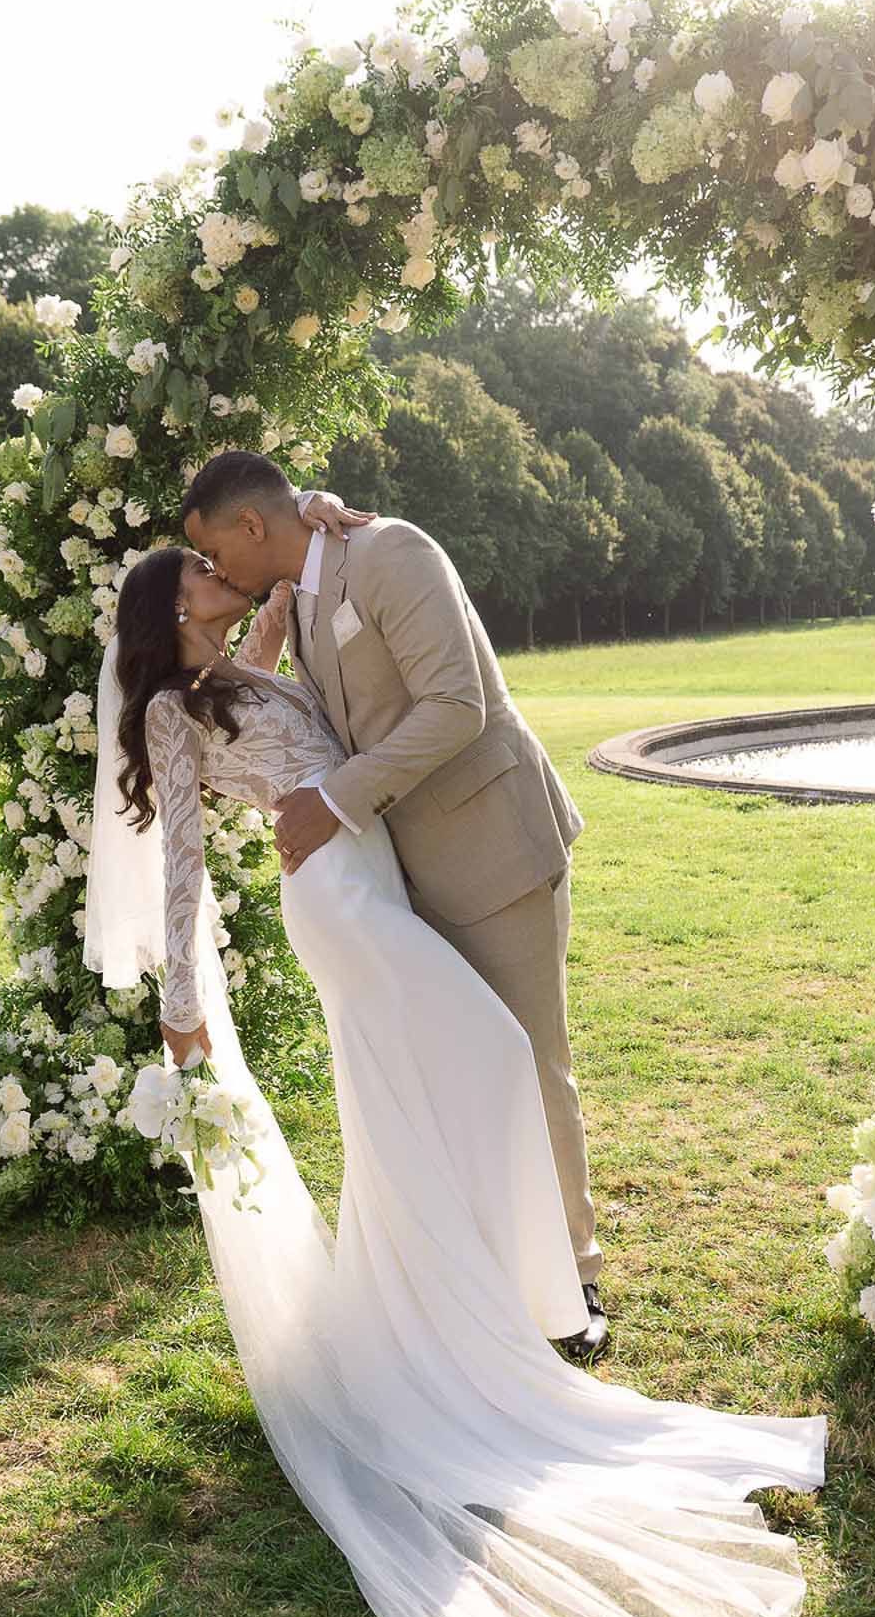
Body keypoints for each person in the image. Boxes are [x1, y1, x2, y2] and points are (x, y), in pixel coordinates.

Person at [82, 489, 829, 1617]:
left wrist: (316, 528)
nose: (215, 572)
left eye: (218, 556)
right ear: (168, 608)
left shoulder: (243, 659)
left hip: (369, 870)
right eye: (194, 570)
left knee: (422, 1100)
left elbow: (286, 587)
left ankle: (462, 1288)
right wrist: (182, 1009)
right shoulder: (165, 708)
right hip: (341, 901)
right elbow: (185, 865)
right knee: (486, 1053)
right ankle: (488, 1303)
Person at [184, 453, 609, 1364]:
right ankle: (496, 1265)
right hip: (392, 874)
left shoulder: (392, 554)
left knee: (529, 1060)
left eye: (210, 547)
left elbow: (456, 706)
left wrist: (333, 799)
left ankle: (575, 1274)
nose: (210, 567)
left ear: (250, 528)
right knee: (449, 1069)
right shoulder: (295, 586)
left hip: (489, 844)